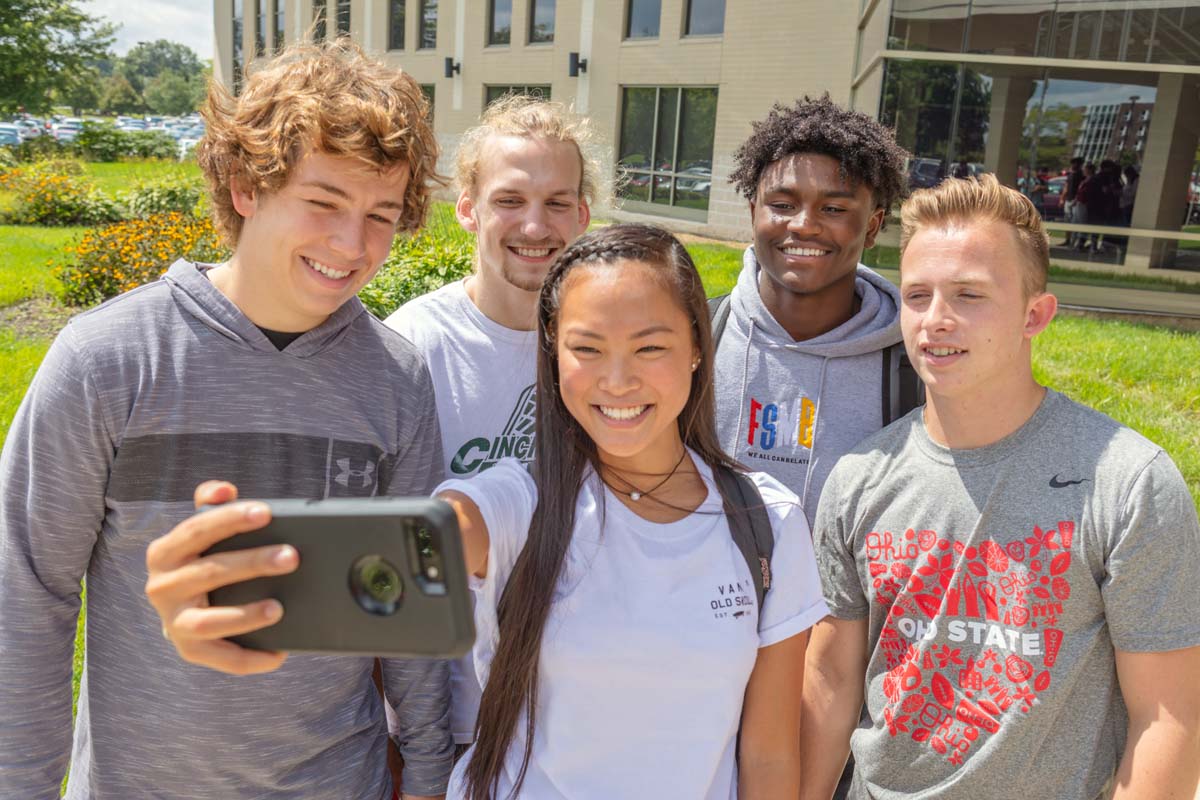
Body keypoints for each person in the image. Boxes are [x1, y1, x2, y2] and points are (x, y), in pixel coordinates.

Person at [150, 223, 831, 799]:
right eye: (586, 349)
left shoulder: (765, 522)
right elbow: (429, 541)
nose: (617, 380)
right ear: (552, 355)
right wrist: (248, 586)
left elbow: (768, 752)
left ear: (695, 353)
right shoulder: (520, 501)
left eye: (649, 348)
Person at [0, 40, 453, 798]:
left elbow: (412, 618)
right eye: (324, 203)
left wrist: (433, 777)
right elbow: (26, 600)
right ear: (246, 185)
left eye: (380, 214)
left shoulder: (397, 381)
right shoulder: (107, 362)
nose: (354, 245)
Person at [799, 175, 1200, 799]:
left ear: (1034, 314)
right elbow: (830, 682)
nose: (936, 320)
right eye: (917, 295)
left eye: (969, 295)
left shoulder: (1127, 482)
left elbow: (1168, 717)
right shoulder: (858, 478)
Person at [383, 95, 596, 750]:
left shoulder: (604, 348)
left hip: (570, 717)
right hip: (441, 724)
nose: (536, 224)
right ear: (468, 208)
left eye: (558, 202)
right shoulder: (410, 348)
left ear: (584, 215)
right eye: (510, 200)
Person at [715, 95, 915, 527]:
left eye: (834, 208)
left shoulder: (912, 365)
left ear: (874, 226)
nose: (804, 224)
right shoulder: (696, 335)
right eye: (783, 205)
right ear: (754, 212)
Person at [1059, 156, 1085, 247]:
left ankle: (1075, 241)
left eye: (1076, 163)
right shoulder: (1070, 175)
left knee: (1075, 221)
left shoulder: (1081, 175)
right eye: (1073, 163)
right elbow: (1066, 187)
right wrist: (1062, 198)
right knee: (1067, 220)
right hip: (1068, 199)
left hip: (1075, 201)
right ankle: (1068, 239)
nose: (1074, 165)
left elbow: (1080, 188)